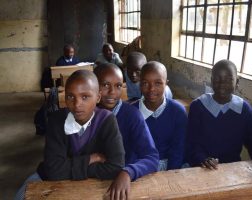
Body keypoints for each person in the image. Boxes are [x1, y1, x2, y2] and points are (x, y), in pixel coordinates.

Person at [15, 70, 125, 200]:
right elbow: (52, 171)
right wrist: (90, 159)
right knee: (21, 196)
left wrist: (68, 167)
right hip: (47, 179)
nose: (77, 104)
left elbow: (116, 166)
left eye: (85, 97)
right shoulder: (57, 120)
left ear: (98, 97)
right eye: (70, 96)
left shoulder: (107, 120)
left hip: (92, 182)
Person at [186, 59, 252, 189]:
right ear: (211, 80)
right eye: (217, 78)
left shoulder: (243, 109)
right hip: (201, 168)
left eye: (228, 79)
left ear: (237, 83)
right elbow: (192, 142)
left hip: (232, 171)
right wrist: (202, 159)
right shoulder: (198, 106)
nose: (222, 84)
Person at [94, 63, 159, 200]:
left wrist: (128, 172)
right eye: (105, 85)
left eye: (118, 86)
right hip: (90, 181)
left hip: (123, 184)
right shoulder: (85, 114)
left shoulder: (132, 115)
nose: (112, 92)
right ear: (93, 85)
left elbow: (151, 157)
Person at [132, 61, 187, 171]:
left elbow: (178, 149)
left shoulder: (178, 111)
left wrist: (170, 176)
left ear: (166, 83)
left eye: (158, 83)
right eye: (145, 83)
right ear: (139, 84)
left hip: (170, 168)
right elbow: (131, 150)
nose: (151, 89)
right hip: (139, 168)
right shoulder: (131, 112)